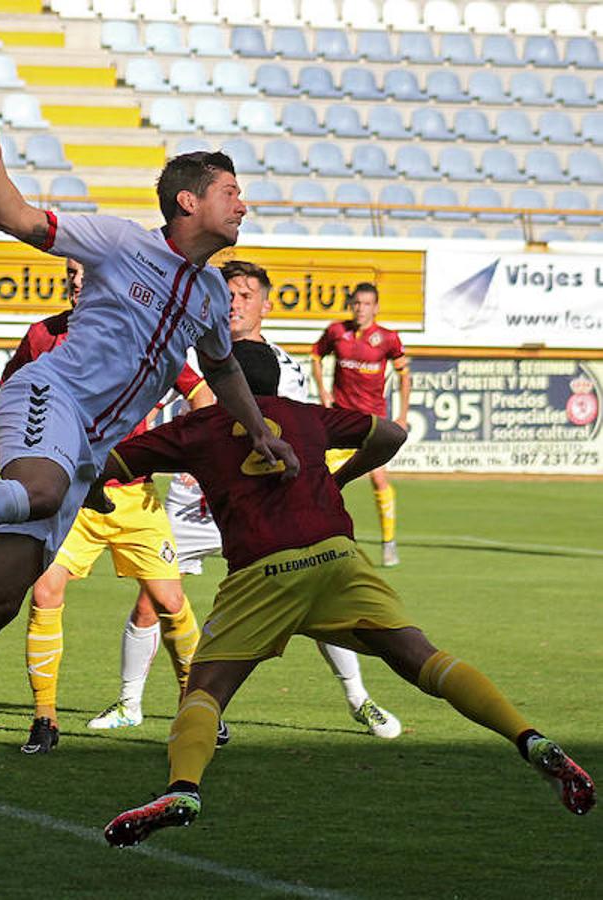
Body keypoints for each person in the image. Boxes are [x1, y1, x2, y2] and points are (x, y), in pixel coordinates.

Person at [0, 110, 299, 799]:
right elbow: (18, 218)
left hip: (86, 449)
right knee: (44, 491)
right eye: (232, 191)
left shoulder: (207, 292)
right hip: (48, 397)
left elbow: (222, 370)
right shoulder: (117, 241)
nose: (244, 204)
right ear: (188, 201)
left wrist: (258, 430)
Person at [95, 340, 594, 845]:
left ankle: (184, 788)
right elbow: (393, 432)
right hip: (337, 557)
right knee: (423, 658)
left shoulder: (195, 428)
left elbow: (105, 463)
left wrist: (97, 492)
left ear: (224, 383)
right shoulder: (303, 415)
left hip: (262, 571)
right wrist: (341, 477)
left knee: (205, 690)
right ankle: (529, 737)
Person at [0, 259, 210, 755]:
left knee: (171, 603)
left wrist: (193, 452)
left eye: (85, 271)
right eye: (71, 271)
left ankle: (200, 712)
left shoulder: (143, 330)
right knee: (45, 593)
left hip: (134, 495)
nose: (75, 278)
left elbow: (200, 394)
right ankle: (44, 719)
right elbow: (11, 393)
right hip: (69, 494)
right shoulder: (44, 335)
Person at [152, 260, 402, 740]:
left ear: (265, 306)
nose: (234, 303)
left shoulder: (282, 369)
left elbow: (296, 437)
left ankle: (358, 698)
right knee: (155, 600)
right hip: (190, 499)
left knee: (314, 602)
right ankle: (134, 702)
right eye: (227, 294)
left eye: (246, 295)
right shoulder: (184, 355)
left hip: (261, 503)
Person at [310, 282, 411, 567]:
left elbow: (405, 375)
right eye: (356, 303)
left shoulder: (388, 338)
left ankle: (389, 543)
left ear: (376, 308)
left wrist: (402, 414)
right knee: (321, 478)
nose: (361, 309)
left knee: (379, 478)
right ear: (350, 305)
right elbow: (316, 356)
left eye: (367, 304)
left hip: (373, 422)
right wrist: (323, 391)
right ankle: (318, 539)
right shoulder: (336, 332)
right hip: (340, 421)